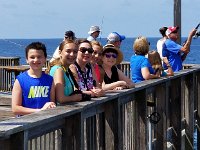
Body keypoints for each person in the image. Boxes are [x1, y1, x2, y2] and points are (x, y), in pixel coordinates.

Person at [12, 42, 56, 116]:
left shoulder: (50, 80)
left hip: (45, 121)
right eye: (32, 57)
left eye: (39, 57)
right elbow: (15, 109)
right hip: (26, 123)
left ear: (45, 59)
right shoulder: (20, 80)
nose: (36, 60)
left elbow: (52, 102)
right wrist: (40, 111)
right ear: (27, 59)